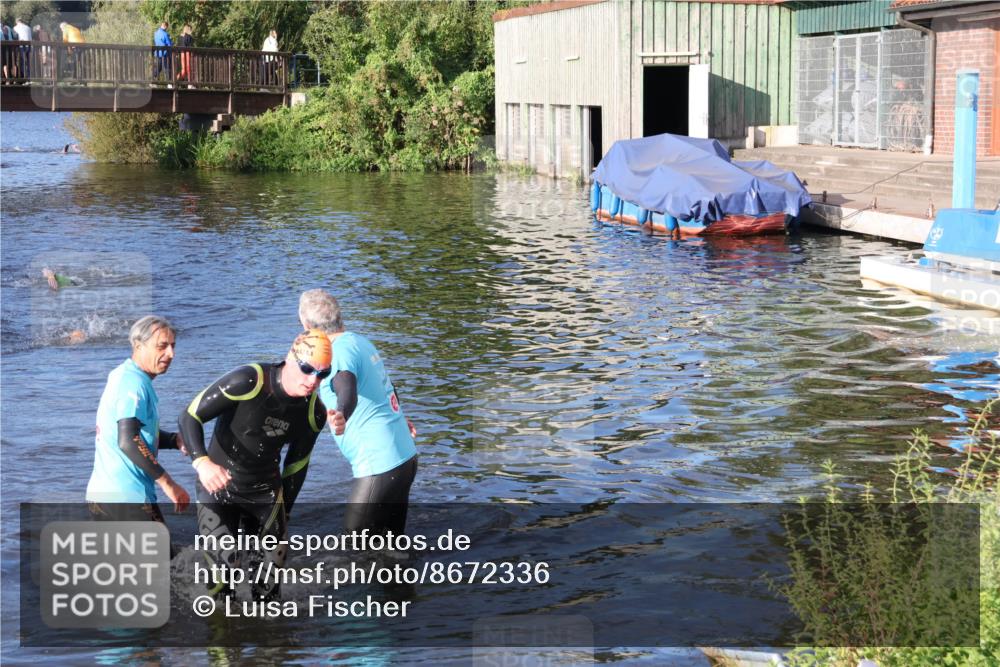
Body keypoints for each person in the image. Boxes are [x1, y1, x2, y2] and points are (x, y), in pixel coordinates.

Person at [178, 329, 341, 600]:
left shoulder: (314, 413)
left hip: (265, 495)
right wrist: (202, 462)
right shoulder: (249, 381)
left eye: (322, 374)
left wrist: (284, 512)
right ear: (291, 358)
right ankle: (222, 637)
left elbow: (296, 465)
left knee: (268, 591)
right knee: (222, 584)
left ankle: (271, 639)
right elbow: (189, 416)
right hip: (218, 489)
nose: (313, 381)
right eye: (307, 369)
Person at [298, 289, 418, 537]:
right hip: (403, 456)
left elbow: (347, 388)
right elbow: (385, 387)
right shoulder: (359, 341)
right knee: (392, 546)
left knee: (354, 548)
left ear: (307, 326)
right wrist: (400, 416)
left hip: (379, 464)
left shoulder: (337, 352)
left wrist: (342, 413)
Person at [86, 316, 190, 523]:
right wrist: (169, 484)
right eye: (162, 346)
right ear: (138, 345)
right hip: (126, 499)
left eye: (172, 346)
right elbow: (128, 441)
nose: (171, 354)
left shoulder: (124, 375)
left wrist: (173, 440)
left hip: (104, 495)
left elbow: (126, 431)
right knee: (165, 555)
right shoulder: (133, 384)